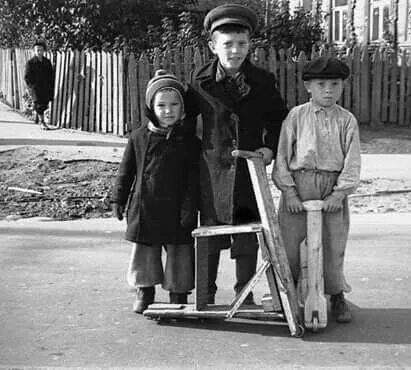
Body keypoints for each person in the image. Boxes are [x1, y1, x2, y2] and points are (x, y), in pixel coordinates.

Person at [185, 4, 288, 305]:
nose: (235, 51)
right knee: (211, 234)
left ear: (249, 45)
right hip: (212, 171)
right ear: (213, 46)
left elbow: (277, 118)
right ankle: (205, 293)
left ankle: (245, 292)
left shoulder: (263, 81)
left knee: (248, 234)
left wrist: (269, 147)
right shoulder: (200, 81)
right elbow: (188, 121)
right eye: (227, 44)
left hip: (248, 173)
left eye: (242, 44)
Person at [272, 56, 361, 323]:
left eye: (335, 84)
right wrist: (289, 192)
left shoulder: (347, 120)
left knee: (333, 244)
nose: (328, 90)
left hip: (331, 188)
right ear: (308, 86)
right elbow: (283, 156)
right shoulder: (296, 116)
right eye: (321, 84)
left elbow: (352, 159)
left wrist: (339, 193)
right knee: (290, 244)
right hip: (300, 186)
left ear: (342, 86)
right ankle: (289, 295)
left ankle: (335, 295)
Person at [112, 70, 200, 314]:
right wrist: (118, 198)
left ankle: (178, 293)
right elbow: (126, 170)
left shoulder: (189, 141)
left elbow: (194, 180)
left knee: (180, 252)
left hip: (177, 207)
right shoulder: (139, 137)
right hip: (145, 205)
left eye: (174, 105)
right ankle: (145, 290)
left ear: (182, 109)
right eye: (161, 105)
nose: (168, 110)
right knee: (145, 252)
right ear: (151, 106)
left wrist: (190, 208)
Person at [24, 41, 54, 130]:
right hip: (35, 87)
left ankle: (37, 116)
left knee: (45, 104)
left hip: (45, 87)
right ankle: (42, 122)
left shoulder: (47, 62)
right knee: (39, 104)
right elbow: (27, 77)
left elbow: (51, 75)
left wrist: (50, 85)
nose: (39, 52)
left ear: (44, 51)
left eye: (41, 50)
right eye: (37, 50)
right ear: (34, 51)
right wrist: (31, 87)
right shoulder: (30, 63)